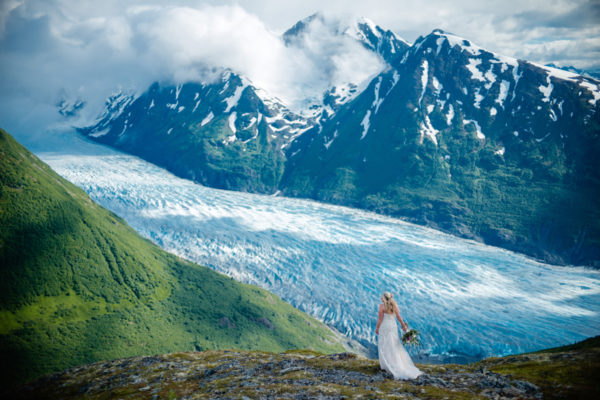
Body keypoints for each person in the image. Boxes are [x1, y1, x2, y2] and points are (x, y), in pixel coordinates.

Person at [375, 292, 423, 379]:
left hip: (385, 326)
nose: (381, 299)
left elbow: (380, 319)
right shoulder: (394, 305)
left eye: (382, 297)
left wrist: (377, 328)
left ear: (385, 299)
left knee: (385, 344)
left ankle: (387, 364)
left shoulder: (381, 306)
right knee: (394, 344)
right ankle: (396, 362)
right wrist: (404, 326)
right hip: (393, 326)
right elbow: (399, 317)